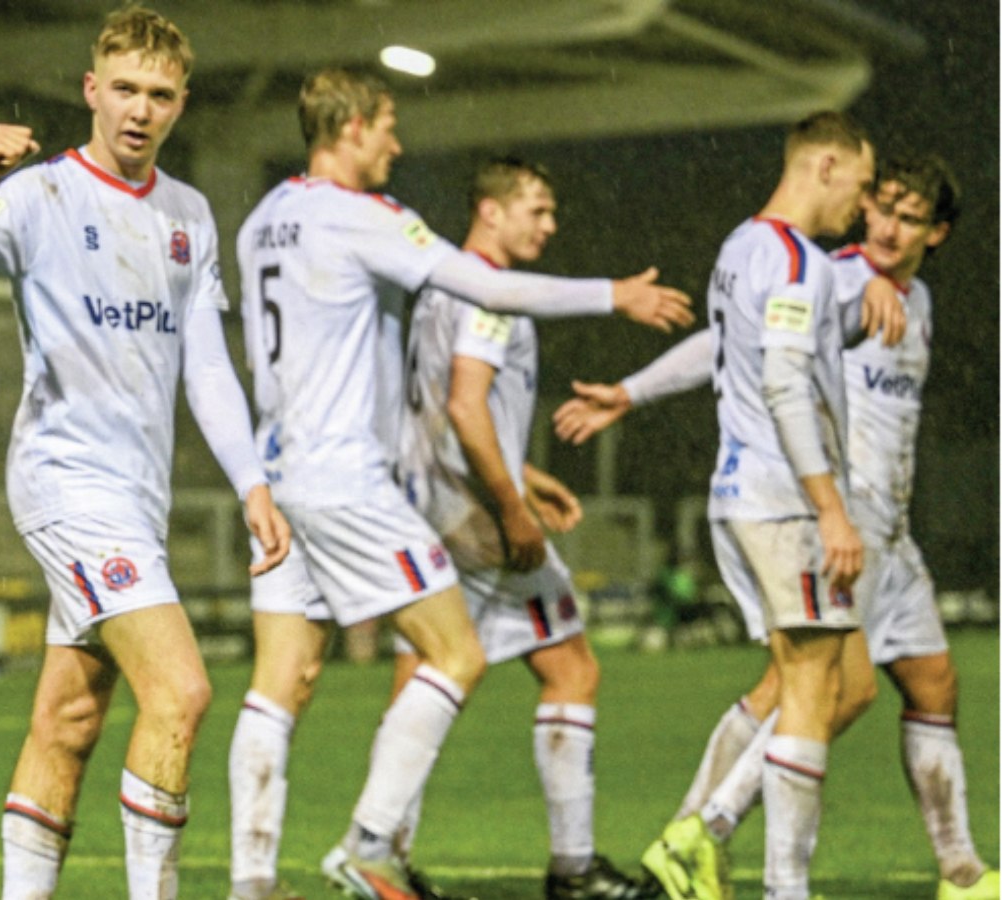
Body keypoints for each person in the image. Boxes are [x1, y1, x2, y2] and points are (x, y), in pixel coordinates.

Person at [227, 68, 693, 900]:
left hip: (280, 478)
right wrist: (611, 294)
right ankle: (368, 847)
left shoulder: (264, 220)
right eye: (389, 127)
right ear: (354, 126)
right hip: (350, 479)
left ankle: (252, 884)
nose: (397, 145)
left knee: (281, 682)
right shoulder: (364, 216)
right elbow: (487, 287)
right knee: (455, 652)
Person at [0, 9, 290, 900]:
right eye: (123, 90)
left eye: (158, 95)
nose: (139, 110)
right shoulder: (37, 197)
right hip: (65, 484)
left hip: (135, 500)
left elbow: (208, 367)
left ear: (181, 104)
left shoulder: (188, 215)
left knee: (69, 719)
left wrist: (253, 483)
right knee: (181, 692)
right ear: (91, 91)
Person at [553, 153, 998, 900]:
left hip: (891, 531)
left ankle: (958, 871)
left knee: (931, 683)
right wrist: (632, 392)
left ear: (939, 233)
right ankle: (700, 832)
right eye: (881, 206)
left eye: (910, 216)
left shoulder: (913, 299)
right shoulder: (837, 274)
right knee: (821, 689)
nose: (888, 225)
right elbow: (736, 344)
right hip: (837, 518)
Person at [387, 157, 658, 900]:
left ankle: (381, 857)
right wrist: (511, 508)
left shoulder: (444, 288)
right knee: (568, 667)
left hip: (433, 510)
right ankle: (570, 869)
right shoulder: (490, 297)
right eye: (536, 209)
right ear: (491, 211)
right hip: (475, 524)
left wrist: (527, 479)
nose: (549, 223)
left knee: (427, 678)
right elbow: (469, 407)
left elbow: (441, 410)